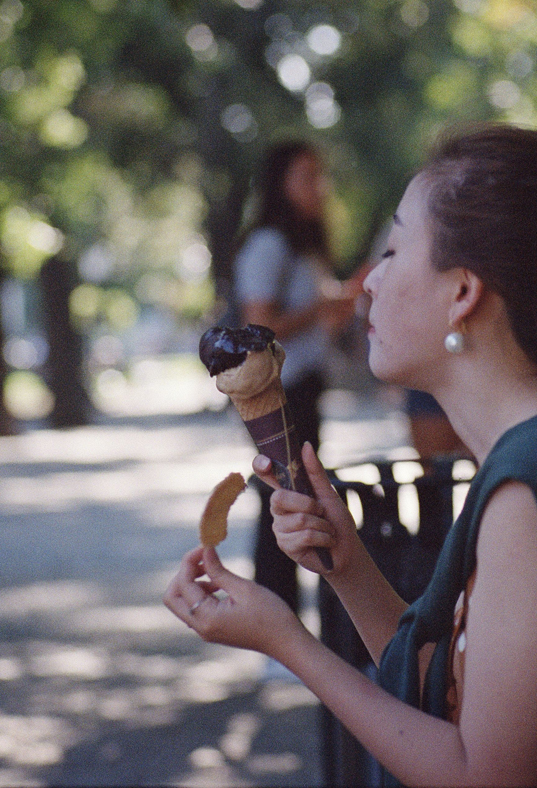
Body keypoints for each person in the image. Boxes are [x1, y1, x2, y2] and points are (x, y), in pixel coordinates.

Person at [168, 125, 537, 786]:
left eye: (393, 251)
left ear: (464, 294)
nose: (369, 284)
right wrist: (348, 566)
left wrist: (287, 641)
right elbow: (459, 694)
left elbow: (482, 776)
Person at [229, 140, 356, 611]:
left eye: (319, 175)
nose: (318, 186)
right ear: (279, 185)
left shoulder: (306, 247)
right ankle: (274, 620)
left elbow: (319, 323)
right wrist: (322, 306)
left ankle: (287, 622)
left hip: (306, 385)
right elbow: (258, 324)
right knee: (283, 506)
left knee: (297, 503)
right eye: (306, 176)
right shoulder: (269, 244)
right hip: (281, 390)